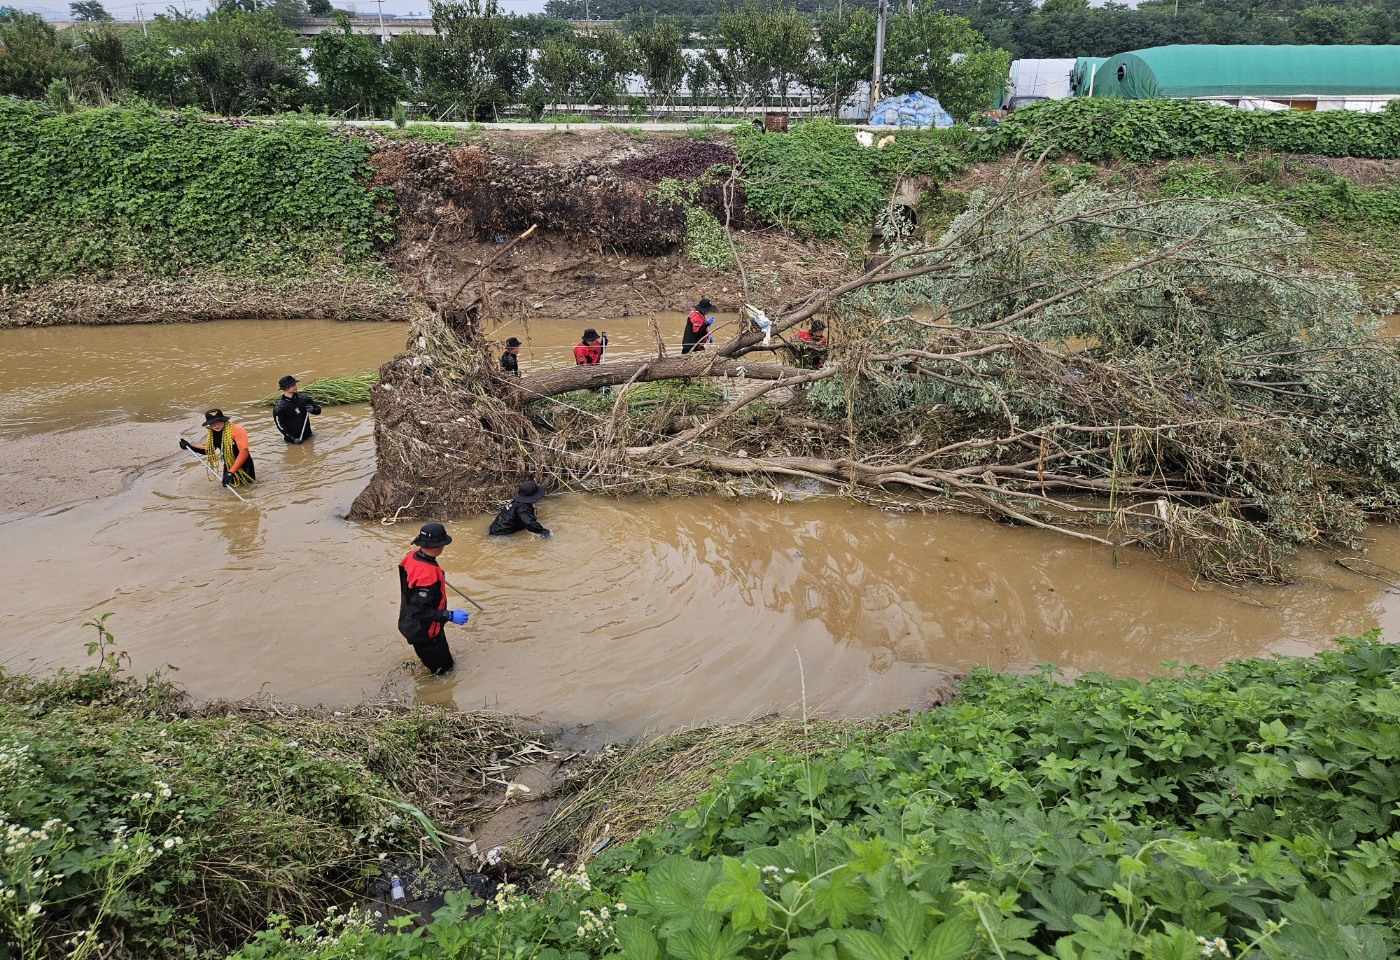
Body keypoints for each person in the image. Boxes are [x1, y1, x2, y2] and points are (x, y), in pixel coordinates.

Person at [397, 522, 471, 675]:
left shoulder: (411, 556)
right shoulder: (427, 574)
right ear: (438, 547)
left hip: (409, 623)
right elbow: (419, 612)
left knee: (433, 658)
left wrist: (437, 578)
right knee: (444, 671)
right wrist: (449, 615)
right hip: (424, 631)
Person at [179, 408, 254, 486]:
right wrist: (190, 446)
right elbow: (209, 450)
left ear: (223, 420)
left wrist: (232, 471)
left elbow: (244, 451)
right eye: (212, 423)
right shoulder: (213, 432)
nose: (216, 425)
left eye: (218, 422)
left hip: (244, 464)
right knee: (226, 488)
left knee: (248, 488)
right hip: (229, 464)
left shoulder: (237, 429)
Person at [272, 375, 321, 444]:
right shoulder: (280, 407)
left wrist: (313, 410)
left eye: (295, 384)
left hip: (309, 437)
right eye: (292, 385)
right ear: (286, 388)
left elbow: (318, 410)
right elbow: (280, 425)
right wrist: (293, 439)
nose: (295, 387)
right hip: (293, 441)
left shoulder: (303, 398)